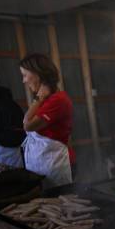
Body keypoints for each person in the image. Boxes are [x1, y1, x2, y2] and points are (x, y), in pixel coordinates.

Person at [20, 53, 74, 187]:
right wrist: (40, 99)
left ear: (38, 74)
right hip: (41, 164)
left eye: (25, 75)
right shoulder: (46, 99)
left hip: (53, 166)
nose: (24, 80)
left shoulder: (58, 100)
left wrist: (39, 99)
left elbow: (27, 125)